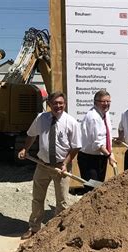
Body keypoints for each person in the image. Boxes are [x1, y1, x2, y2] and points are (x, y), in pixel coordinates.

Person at [18, 91, 81, 239]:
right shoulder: (41, 118)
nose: (58, 106)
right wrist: (25, 149)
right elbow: (31, 134)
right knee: (37, 198)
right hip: (42, 165)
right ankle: (34, 228)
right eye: (55, 103)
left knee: (62, 202)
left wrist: (65, 164)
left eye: (61, 103)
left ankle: (59, 231)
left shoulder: (71, 122)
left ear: (65, 104)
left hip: (61, 167)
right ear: (49, 105)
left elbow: (76, 147)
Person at [78, 89, 117, 188]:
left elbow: (105, 137)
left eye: (108, 101)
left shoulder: (105, 114)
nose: (106, 104)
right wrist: (109, 155)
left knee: (99, 189)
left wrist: (109, 153)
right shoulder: (93, 117)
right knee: (91, 190)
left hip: (101, 157)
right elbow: (97, 143)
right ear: (95, 102)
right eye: (103, 101)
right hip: (90, 160)